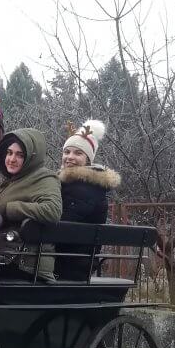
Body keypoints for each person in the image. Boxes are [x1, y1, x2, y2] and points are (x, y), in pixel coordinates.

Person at [0, 128, 63, 281]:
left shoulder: (44, 178)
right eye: (9, 152)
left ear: (31, 158)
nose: (12, 159)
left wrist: (11, 209)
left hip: (27, 263)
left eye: (20, 155)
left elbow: (53, 210)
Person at [54, 119, 121, 280]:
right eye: (66, 152)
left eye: (78, 153)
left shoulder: (86, 188)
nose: (69, 157)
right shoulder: (68, 183)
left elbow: (61, 222)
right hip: (68, 258)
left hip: (71, 262)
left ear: (88, 160)